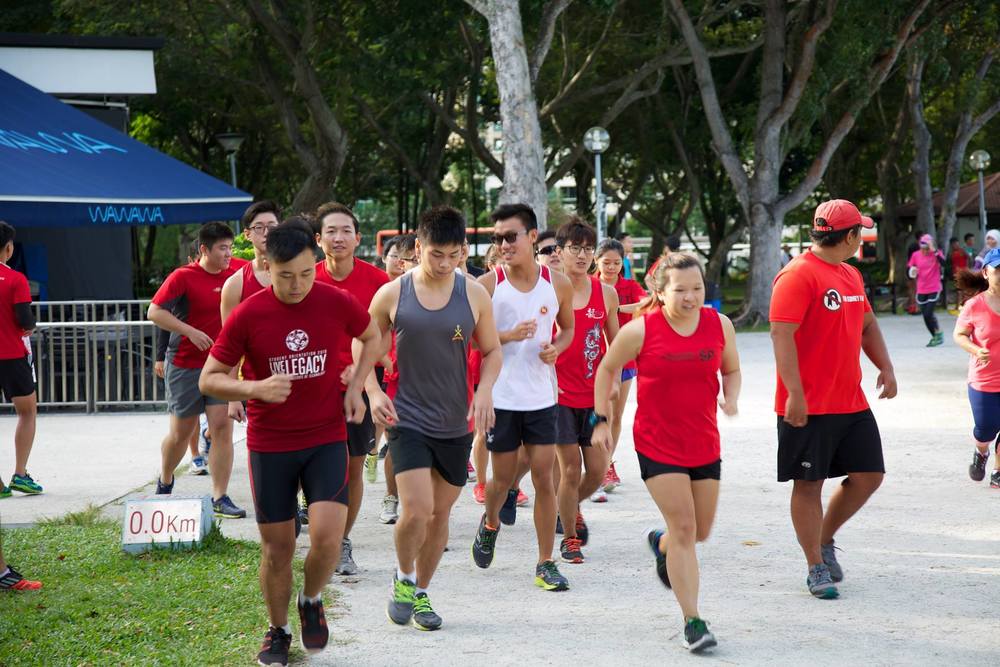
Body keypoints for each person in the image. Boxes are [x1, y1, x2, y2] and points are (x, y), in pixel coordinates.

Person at [200, 223, 382, 666]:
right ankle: (278, 630)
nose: (298, 285)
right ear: (266, 265)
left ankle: (312, 599)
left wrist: (357, 385)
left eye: (305, 273)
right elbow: (210, 377)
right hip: (271, 445)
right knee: (278, 548)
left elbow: (373, 336)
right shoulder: (248, 314)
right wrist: (255, 388)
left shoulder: (335, 301)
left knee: (327, 536)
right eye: (286, 276)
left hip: (325, 436)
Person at [592, 252, 740, 653]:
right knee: (687, 529)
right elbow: (607, 369)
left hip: (704, 441)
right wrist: (601, 419)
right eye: (681, 290)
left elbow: (730, 368)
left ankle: (661, 543)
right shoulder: (641, 331)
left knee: (699, 531)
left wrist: (732, 396)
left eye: (698, 289)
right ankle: (693, 620)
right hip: (658, 443)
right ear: (660, 291)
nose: (691, 297)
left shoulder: (719, 325)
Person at [363, 206, 501, 631]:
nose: (444, 264)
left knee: (440, 516)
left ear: (462, 252)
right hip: (407, 416)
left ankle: (421, 590)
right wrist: (372, 391)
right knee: (417, 510)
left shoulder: (474, 294)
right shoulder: (392, 294)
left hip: (455, 421)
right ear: (418, 248)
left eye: (453, 255)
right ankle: (404, 579)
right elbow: (364, 345)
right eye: (435, 254)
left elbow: (493, 351)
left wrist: (484, 391)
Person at [770, 199, 897, 600]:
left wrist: (886, 367)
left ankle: (824, 540)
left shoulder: (850, 275)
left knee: (869, 476)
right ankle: (815, 566)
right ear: (850, 236)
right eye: (861, 230)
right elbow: (781, 335)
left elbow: (868, 325)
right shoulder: (796, 275)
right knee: (808, 485)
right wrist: (794, 394)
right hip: (807, 405)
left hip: (851, 401)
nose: (863, 237)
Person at [472, 203, 575, 592]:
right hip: (501, 397)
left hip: (541, 396)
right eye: (497, 238)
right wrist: (507, 336)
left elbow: (567, 329)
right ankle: (491, 522)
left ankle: (545, 562)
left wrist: (557, 348)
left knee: (544, 476)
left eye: (510, 236)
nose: (503, 244)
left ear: (533, 237)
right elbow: (473, 343)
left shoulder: (557, 283)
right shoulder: (488, 286)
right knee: (501, 479)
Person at [147, 222, 246, 519]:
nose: (228, 254)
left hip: (221, 366)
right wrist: (189, 331)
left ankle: (220, 496)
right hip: (185, 364)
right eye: (222, 249)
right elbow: (154, 312)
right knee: (182, 432)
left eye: (230, 247)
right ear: (204, 249)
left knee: (221, 427)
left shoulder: (238, 273)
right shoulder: (183, 277)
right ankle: (165, 480)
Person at [312, 202, 390, 575]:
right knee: (316, 468)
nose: (338, 237)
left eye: (346, 231)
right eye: (331, 231)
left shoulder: (378, 283)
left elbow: (388, 334)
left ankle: (341, 541)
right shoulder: (304, 279)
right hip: (311, 390)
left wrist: (370, 378)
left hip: (358, 390)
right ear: (318, 239)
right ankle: (319, 531)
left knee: (352, 469)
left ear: (358, 238)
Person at [552, 220, 619, 563]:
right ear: (559, 252)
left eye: (587, 249)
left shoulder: (605, 293)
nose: (582, 255)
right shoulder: (547, 291)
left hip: (593, 397)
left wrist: (614, 384)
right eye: (574, 248)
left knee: (596, 470)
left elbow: (616, 345)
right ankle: (569, 538)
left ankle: (569, 507)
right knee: (567, 469)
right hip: (558, 397)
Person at [593, 238, 646, 496]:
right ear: (596, 261)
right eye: (606, 262)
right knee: (600, 414)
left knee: (616, 415)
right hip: (592, 359)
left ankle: (606, 464)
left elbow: (645, 304)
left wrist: (614, 306)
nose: (612, 267)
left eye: (616, 262)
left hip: (625, 358)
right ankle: (595, 464)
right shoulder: (588, 285)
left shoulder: (629, 286)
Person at [0, 221, 40, 498]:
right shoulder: (15, 279)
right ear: (8, 248)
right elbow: (25, 320)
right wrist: (30, 326)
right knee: (26, 412)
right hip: (12, 355)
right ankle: (20, 474)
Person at [954, 249, 1000, 488]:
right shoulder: (974, 305)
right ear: (986, 272)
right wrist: (975, 349)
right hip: (984, 380)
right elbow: (959, 335)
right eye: (998, 269)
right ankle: (981, 452)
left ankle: (998, 472)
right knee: (987, 427)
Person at [907, 233, 945, 347]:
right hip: (921, 289)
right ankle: (936, 335)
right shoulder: (915, 255)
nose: (925, 251)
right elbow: (909, 269)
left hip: (934, 287)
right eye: (923, 248)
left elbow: (944, 263)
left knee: (928, 313)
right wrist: (912, 272)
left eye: (927, 248)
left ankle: (938, 334)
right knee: (925, 315)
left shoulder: (936, 254)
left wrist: (934, 250)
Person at [949, 237, 969, 311]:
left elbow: (969, 258)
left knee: (963, 290)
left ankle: (961, 305)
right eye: (954, 244)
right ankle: (958, 306)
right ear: (952, 245)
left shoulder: (962, 251)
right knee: (959, 291)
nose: (955, 245)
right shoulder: (951, 253)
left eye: (957, 244)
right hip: (956, 274)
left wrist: (967, 268)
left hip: (964, 273)